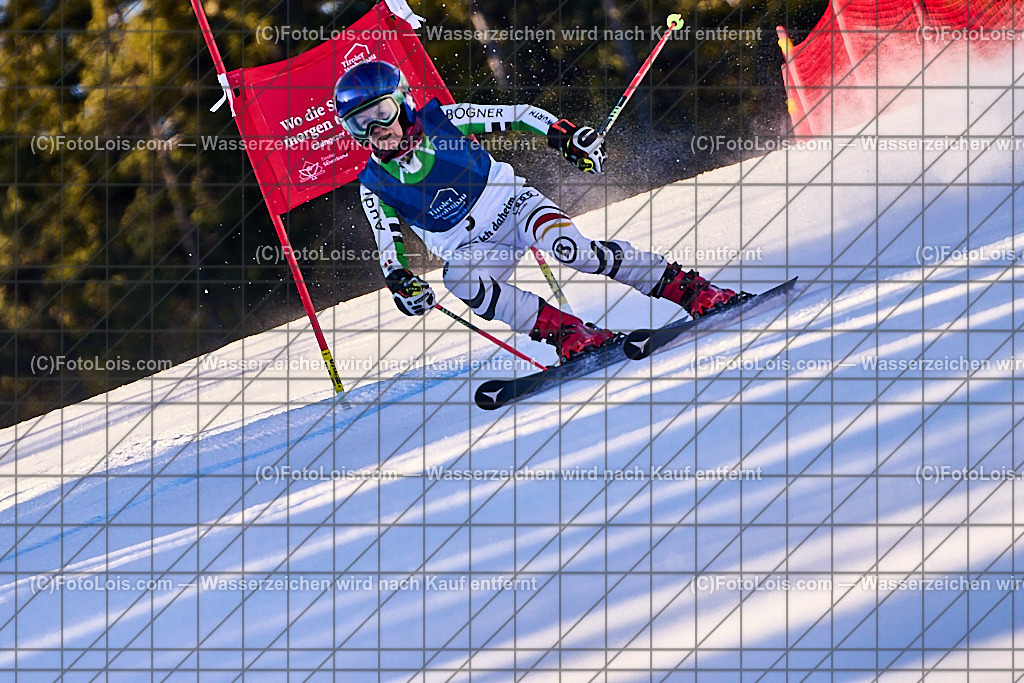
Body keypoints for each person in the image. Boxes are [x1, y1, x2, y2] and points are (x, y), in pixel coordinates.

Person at [335, 60, 742, 362]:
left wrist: (565, 136)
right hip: (474, 249)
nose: (377, 130)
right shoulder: (375, 184)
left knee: (574, 252)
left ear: (403, 103)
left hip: (514, 207)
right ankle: (568, 332)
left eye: (382, 113)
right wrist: (402, 284)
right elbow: (388, 247)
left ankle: (689, 289)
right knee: (460, 281)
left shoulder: (447, 121)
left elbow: (518, 115)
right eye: (360, 124)